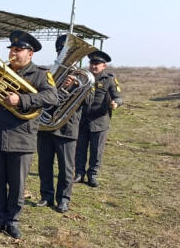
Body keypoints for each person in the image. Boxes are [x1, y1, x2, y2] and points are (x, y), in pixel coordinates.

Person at [0, 30, 59, 239]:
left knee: (17, 184)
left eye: (18, 50)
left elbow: (52, 96)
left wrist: (22, 101)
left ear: (30, 54)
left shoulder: (40, 74)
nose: (13, 53)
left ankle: (12, 221)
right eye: (11, 49)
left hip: (22, 137)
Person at [35, 35, 84, 213]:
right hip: (46, 127)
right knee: (44, 164)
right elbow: (43, 97)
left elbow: (89, 100)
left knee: (66, 168)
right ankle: (46, 196)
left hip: (67, 128)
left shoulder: (83, 77)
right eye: (62, 52)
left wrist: (76, 86)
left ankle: (63, 199)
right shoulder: (48, 74)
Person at [74, 50, 122, 187]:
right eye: (92, 63)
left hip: (100, 121)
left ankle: (92, 175)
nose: (94, 66)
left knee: (96, 151)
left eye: (97, 64)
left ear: (104, 66)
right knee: (80, 149)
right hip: (82, 120)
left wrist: (116, 103)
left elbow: (118, 96)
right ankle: (79, 173)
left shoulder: (109, 79)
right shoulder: (83, 77)